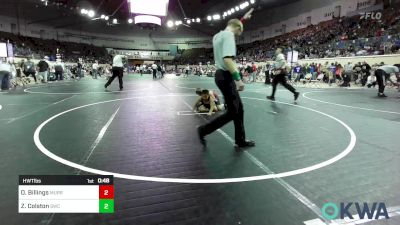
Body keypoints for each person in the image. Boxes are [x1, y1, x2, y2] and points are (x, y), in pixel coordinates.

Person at [197, 8, 255, 148]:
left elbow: (233, 24)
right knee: (233, 112)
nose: (238, 35)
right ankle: (204, 130)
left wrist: (242, 19)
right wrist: (238, 79)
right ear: (236, 28)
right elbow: (228, 59)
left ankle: (240, 140)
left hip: (220, 75)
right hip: (226, 75)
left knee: (238, 109)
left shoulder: (217, 36)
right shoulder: (229, 36)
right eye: (239, 32)